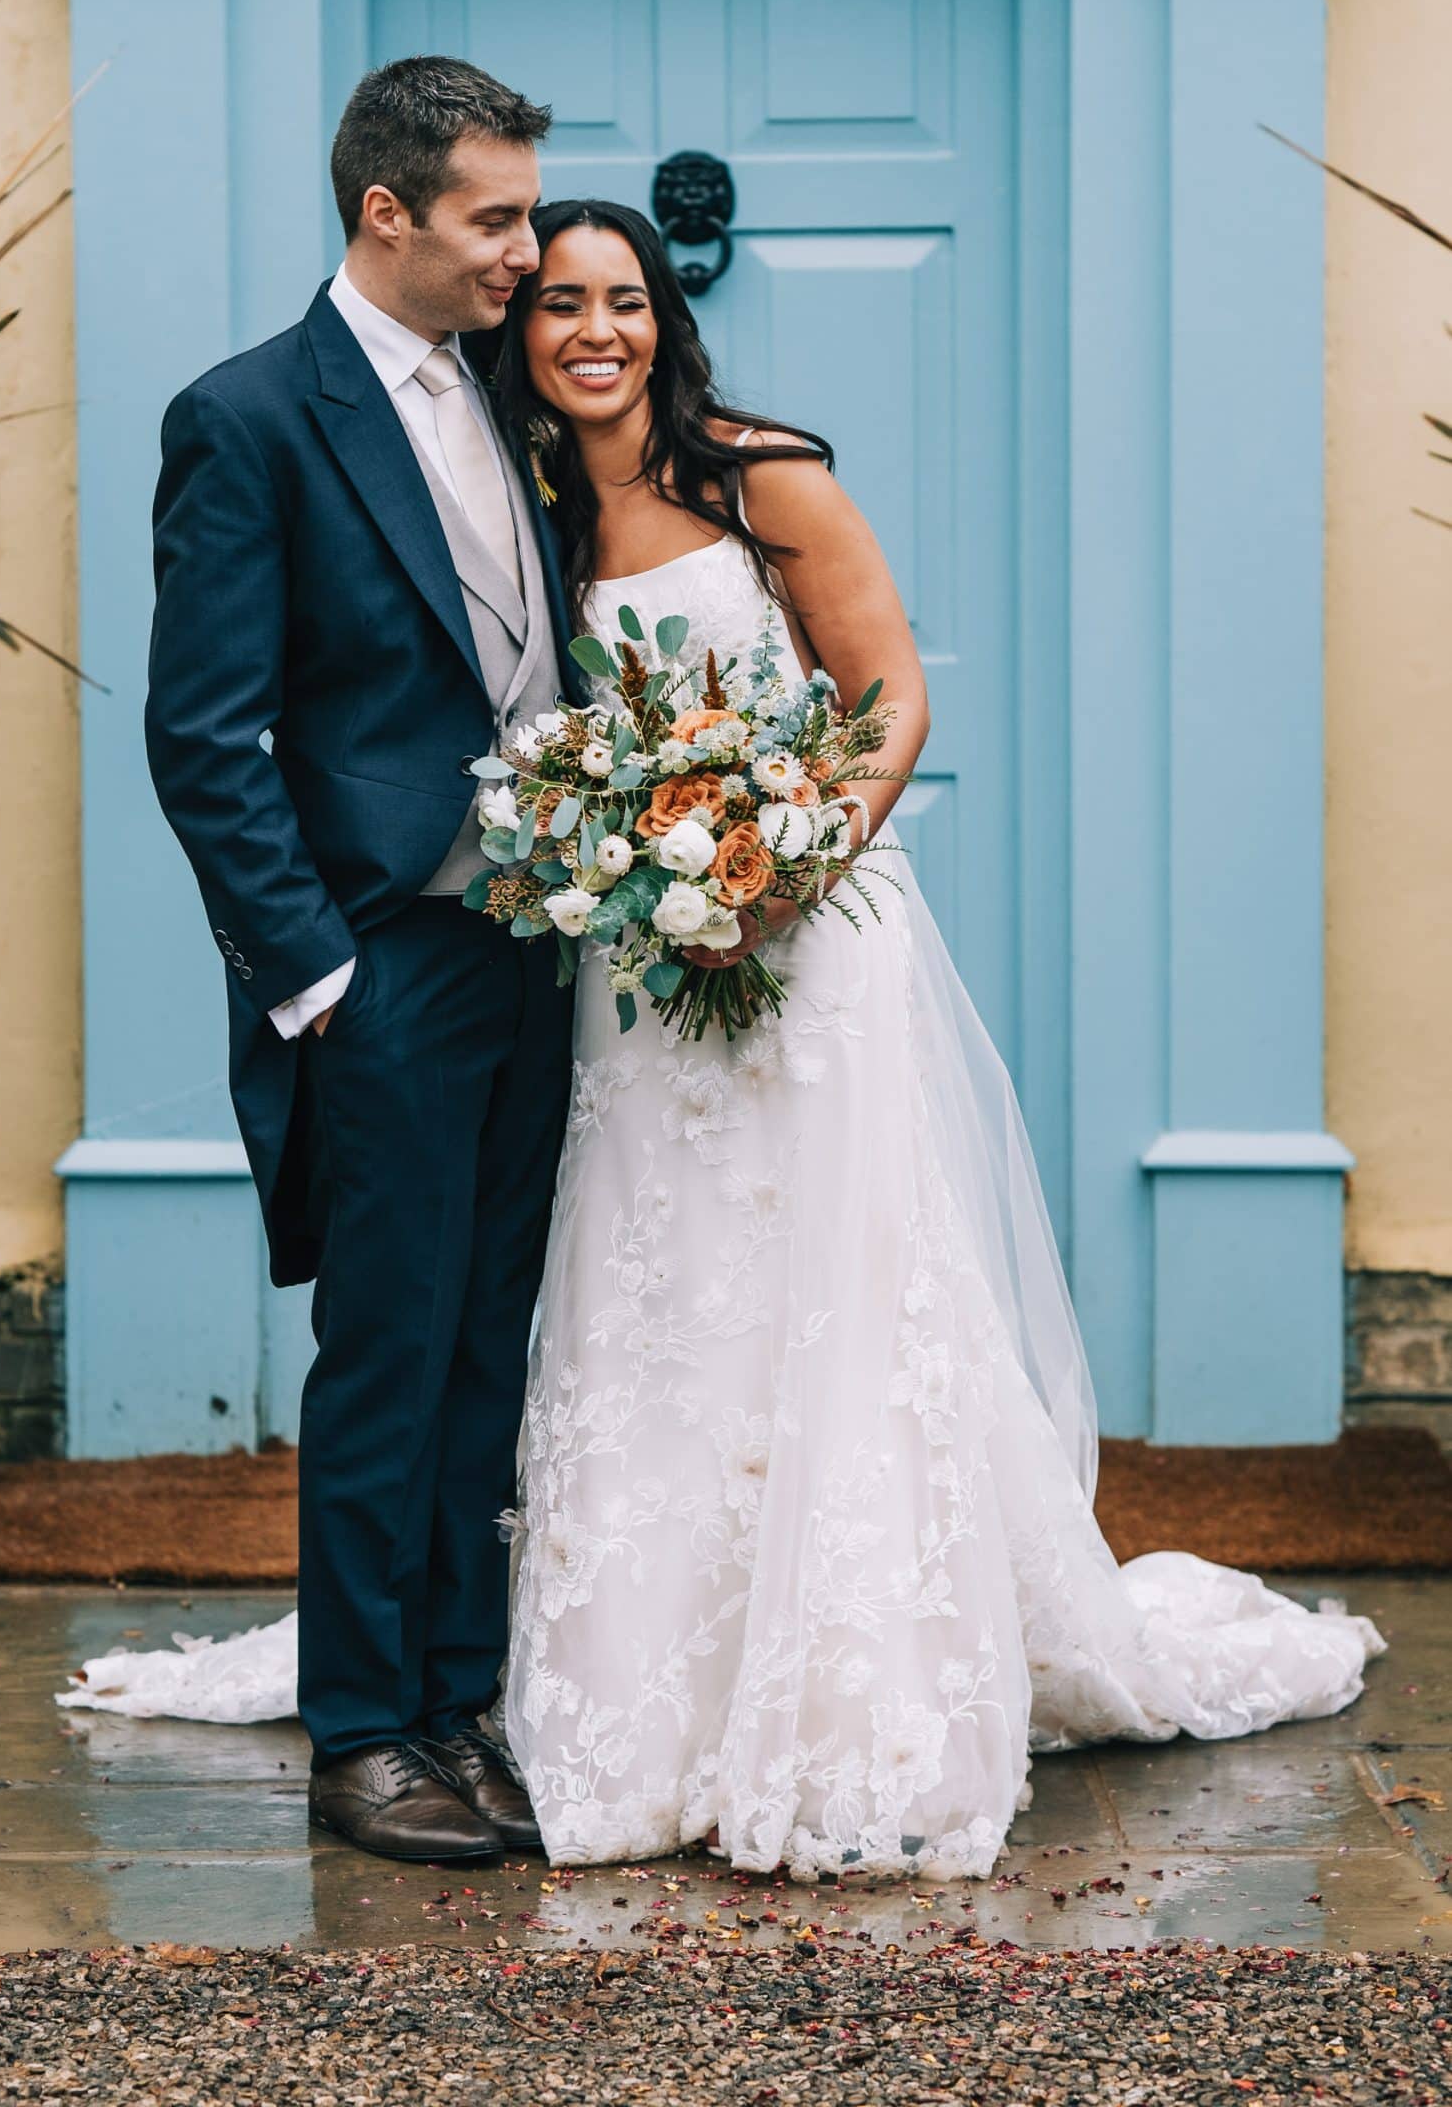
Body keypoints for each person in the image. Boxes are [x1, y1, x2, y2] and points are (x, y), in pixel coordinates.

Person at [67, 189, 1383, 1885]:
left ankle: (845, 1677)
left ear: (667, 318)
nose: (588, 328)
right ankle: (594, 1688)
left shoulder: (761, 474)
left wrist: (785, 860)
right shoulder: (527, 492)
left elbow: (890, 689)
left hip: (808, 960)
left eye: (621, 298)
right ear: (513, 327)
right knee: (632, 1311)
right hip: (617, 978)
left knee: (828, 1293)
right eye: (552, 299)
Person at [134, 57, 578, 1865]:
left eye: (530, 212)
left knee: (491, 1345)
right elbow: (200, 735)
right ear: (384, 212)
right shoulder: (247, 417)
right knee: (386, 1357)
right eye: (496, 217)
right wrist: (316, 975)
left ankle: (460, 1700)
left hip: (536, 960)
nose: (526, 253)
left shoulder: (507, 395)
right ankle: (361, 1733)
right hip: (382, 967)